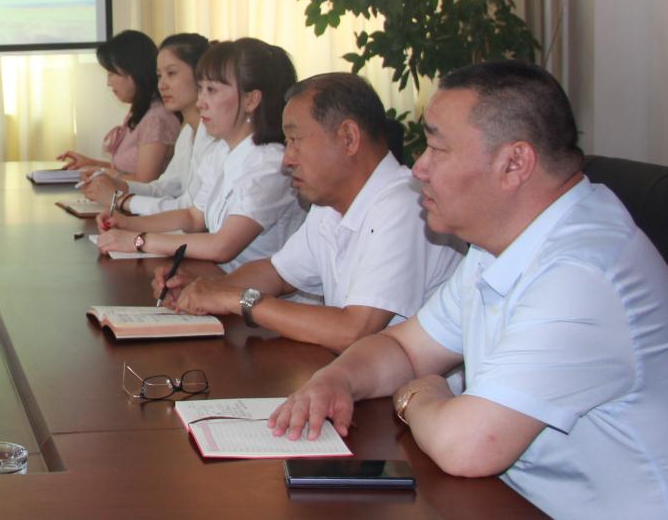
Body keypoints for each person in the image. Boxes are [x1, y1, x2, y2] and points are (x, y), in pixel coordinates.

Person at [269, 61, 668, 518]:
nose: (419, 168)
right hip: (508, 500)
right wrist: (334, 381)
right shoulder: (496, 245)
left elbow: (466, 446)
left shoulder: (583, 274)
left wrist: (417, 395)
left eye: (437, 148)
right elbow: (404, 348)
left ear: (514, 163)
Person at [157, 73, 462, 352]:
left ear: (348, 138)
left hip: (410, 390)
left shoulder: (405, 204)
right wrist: (204, 289)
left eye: (295, 140)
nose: (287, 159)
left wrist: (236, 299)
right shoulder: (331, 203)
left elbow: (354, 330)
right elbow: (279, 273)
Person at [96, 37, 303, 275]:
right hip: (219, 280)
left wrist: (139, 240)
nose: (201, 102)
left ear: (251, 99)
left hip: (254, 293)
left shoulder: (270, 164)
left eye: (211, 90)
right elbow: (193, 217)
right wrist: (128, 224)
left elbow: (221, 246)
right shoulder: (223, 149)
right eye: (201, 88)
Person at [83, 33, 218, 216]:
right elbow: (163, 189)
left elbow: (189, 210)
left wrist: (119, 199)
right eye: (159, 76)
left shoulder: (216, 138)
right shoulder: (188, 133)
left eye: (171, 73)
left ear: (201, 75)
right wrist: (118, 186)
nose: (162, 85)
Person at [59, 30, 180, 182]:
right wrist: (91, 164)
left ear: (133, 71)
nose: (108, 83)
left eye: (111, 73)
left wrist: (101, 171)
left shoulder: (156, 119)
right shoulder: (142, 112)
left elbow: (144, 182)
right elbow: (124, 171)